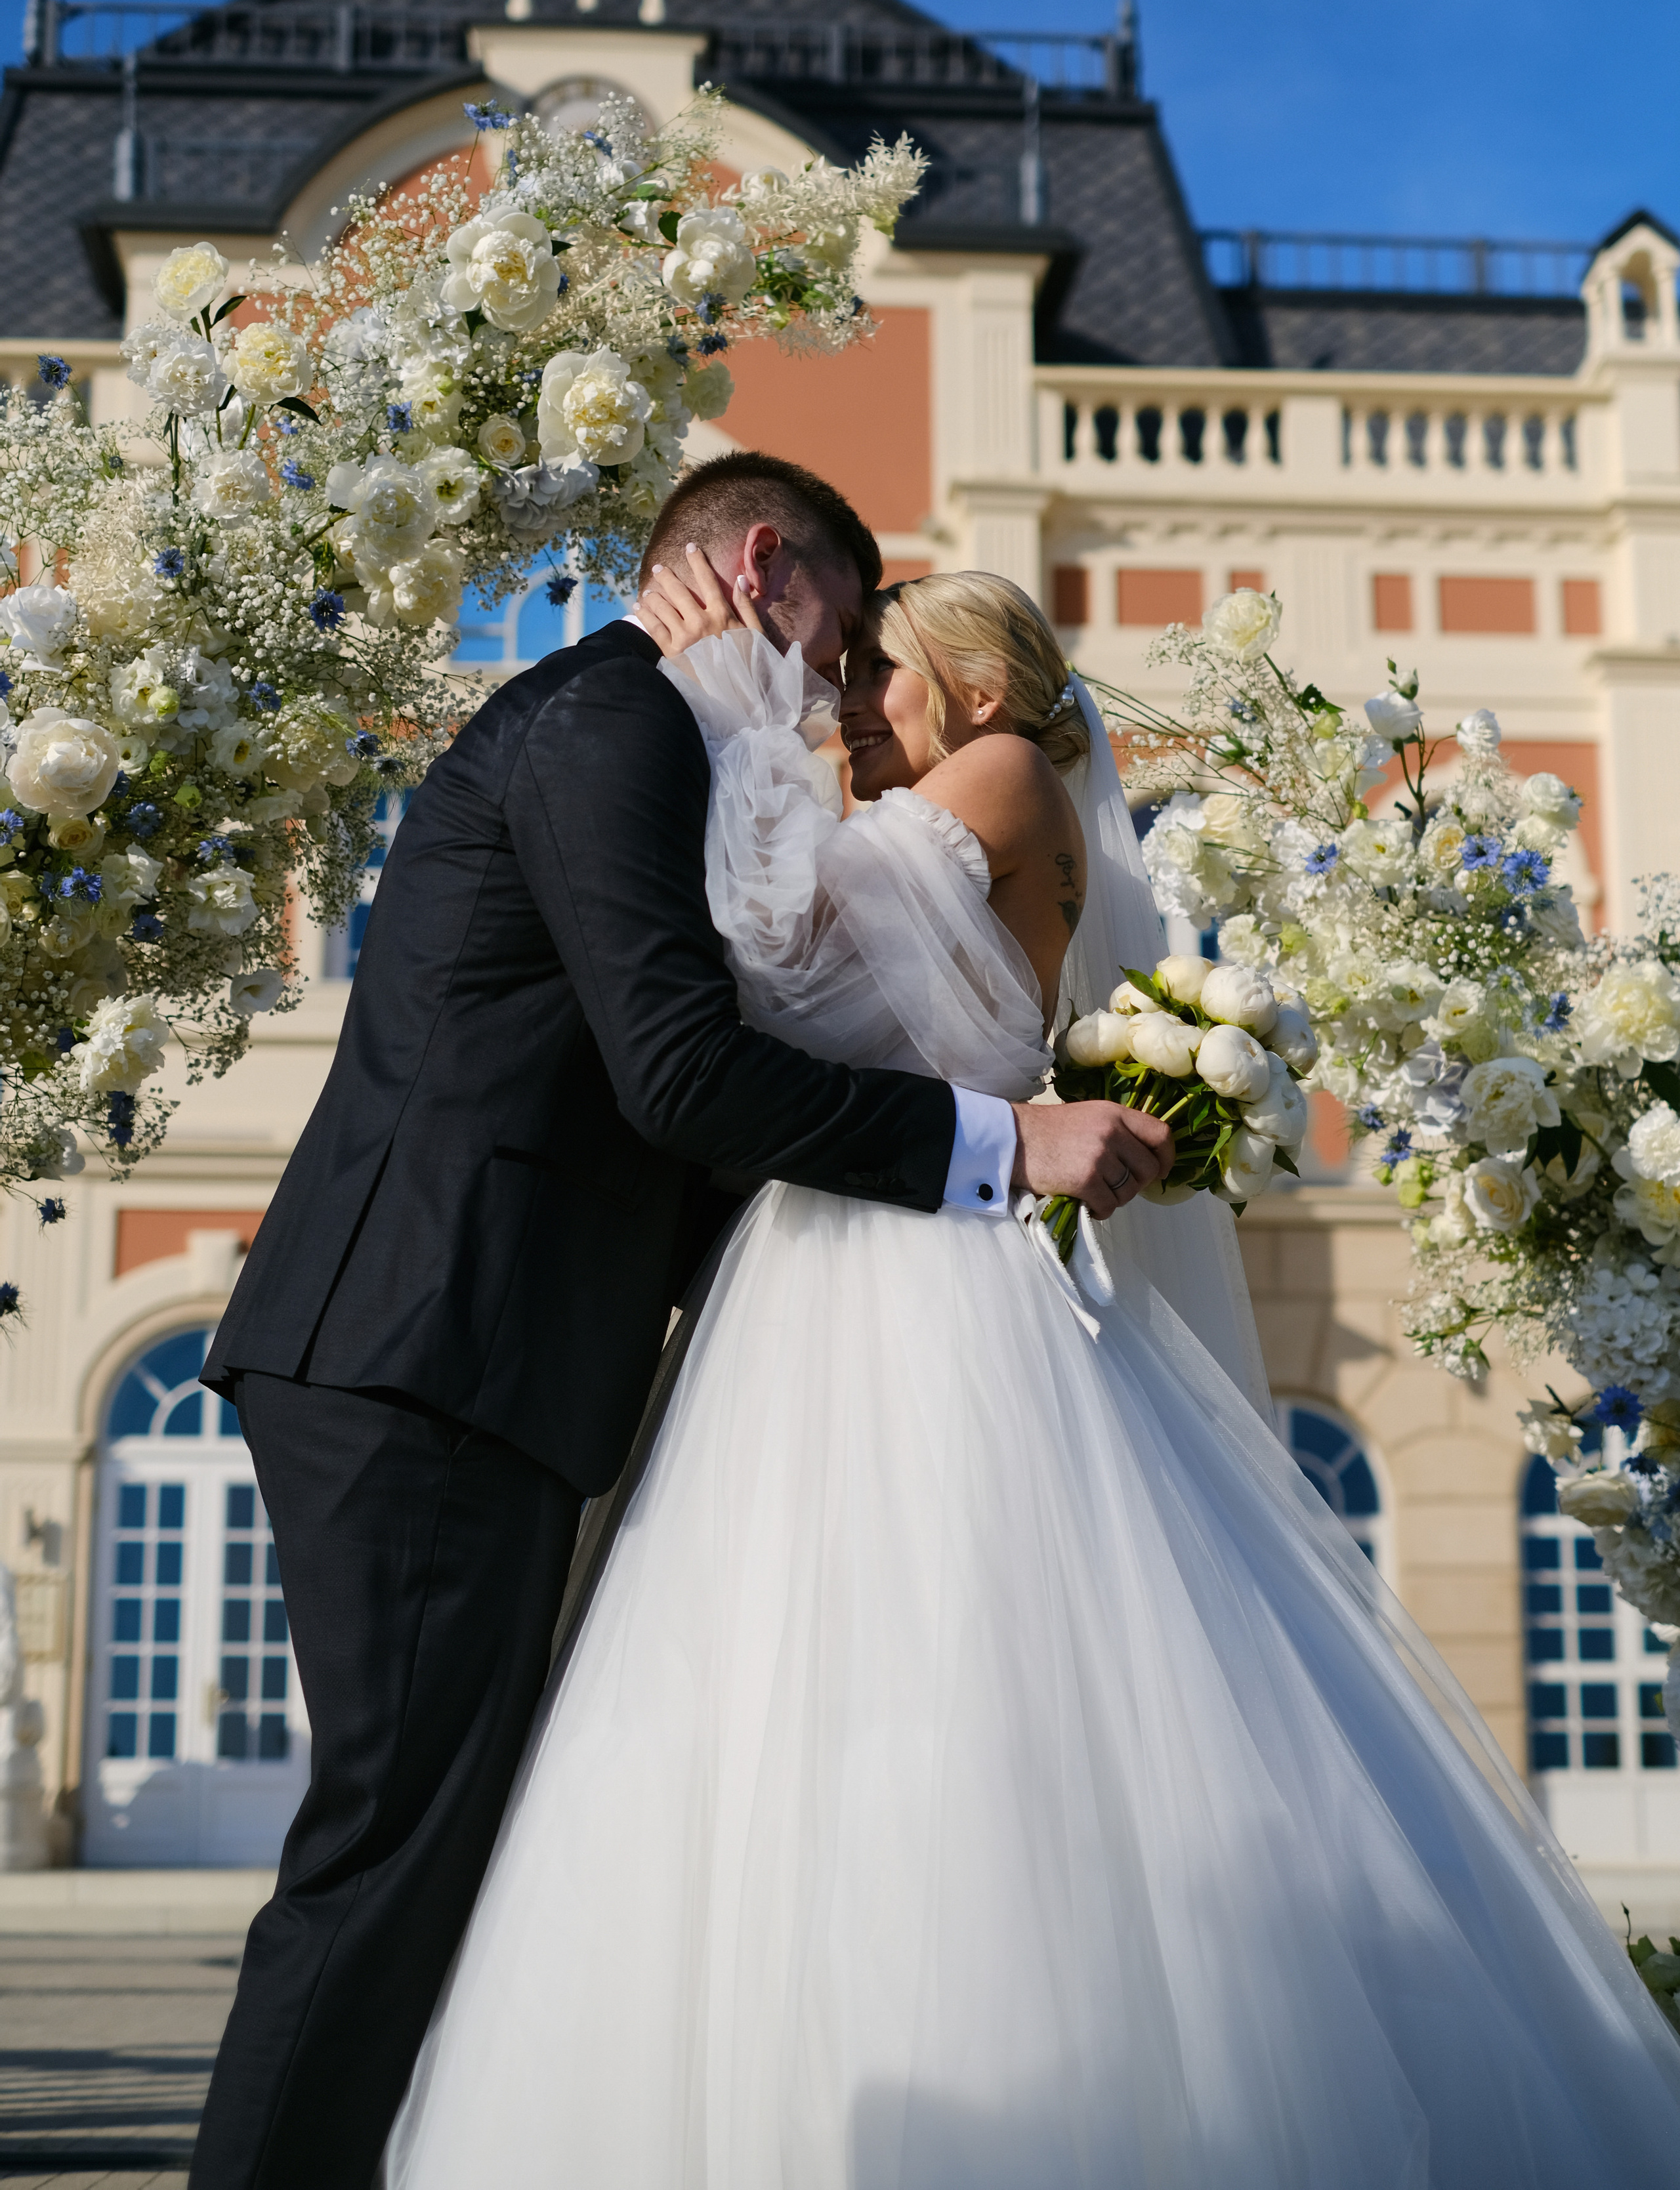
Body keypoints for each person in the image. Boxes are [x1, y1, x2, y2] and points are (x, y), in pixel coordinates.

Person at [385, 562, 1680, 2188]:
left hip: (931, 1252)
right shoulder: (952, 780)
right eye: (847, 671)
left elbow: (777, 962)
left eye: (882, 672)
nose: (852, 698)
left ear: (980, 691)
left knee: (953, 1648)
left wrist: (738, 730)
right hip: (855, 1233)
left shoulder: (1002, 774)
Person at [187, 454, 1170, 2190]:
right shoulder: (612, 728)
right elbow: (685, 1073)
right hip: (432, 1340)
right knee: (385, 1864)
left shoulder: (650, 738)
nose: (830, 693)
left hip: (471, 1351)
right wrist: (1000, 1138)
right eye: (838, 640)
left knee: (420, 1857)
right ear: (770, 570)